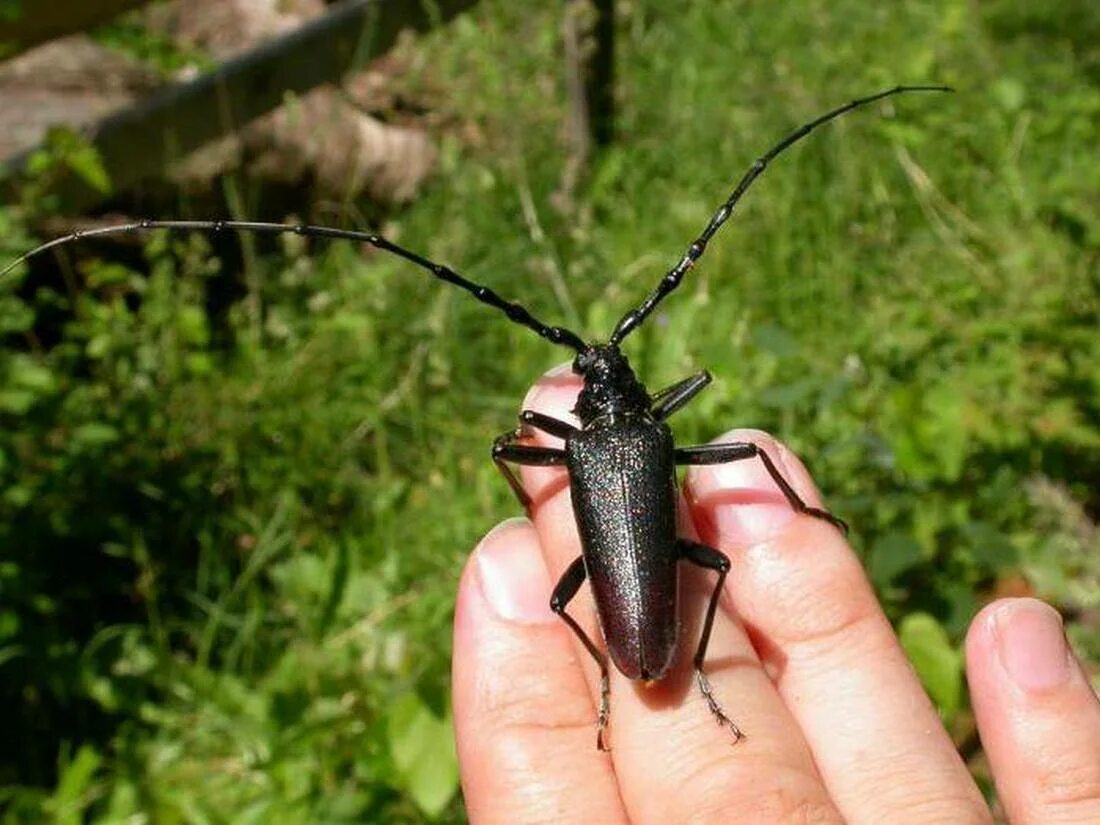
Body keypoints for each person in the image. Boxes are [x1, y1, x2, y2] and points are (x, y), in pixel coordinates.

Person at [452, 365, 1100, 823]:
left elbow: (504, 448)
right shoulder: (651, 432)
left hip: (629, 623)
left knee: (562, 593)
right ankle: (683, 670)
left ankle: (635, 677)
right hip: (652, 615)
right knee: (711, 555)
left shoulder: (585, 448)